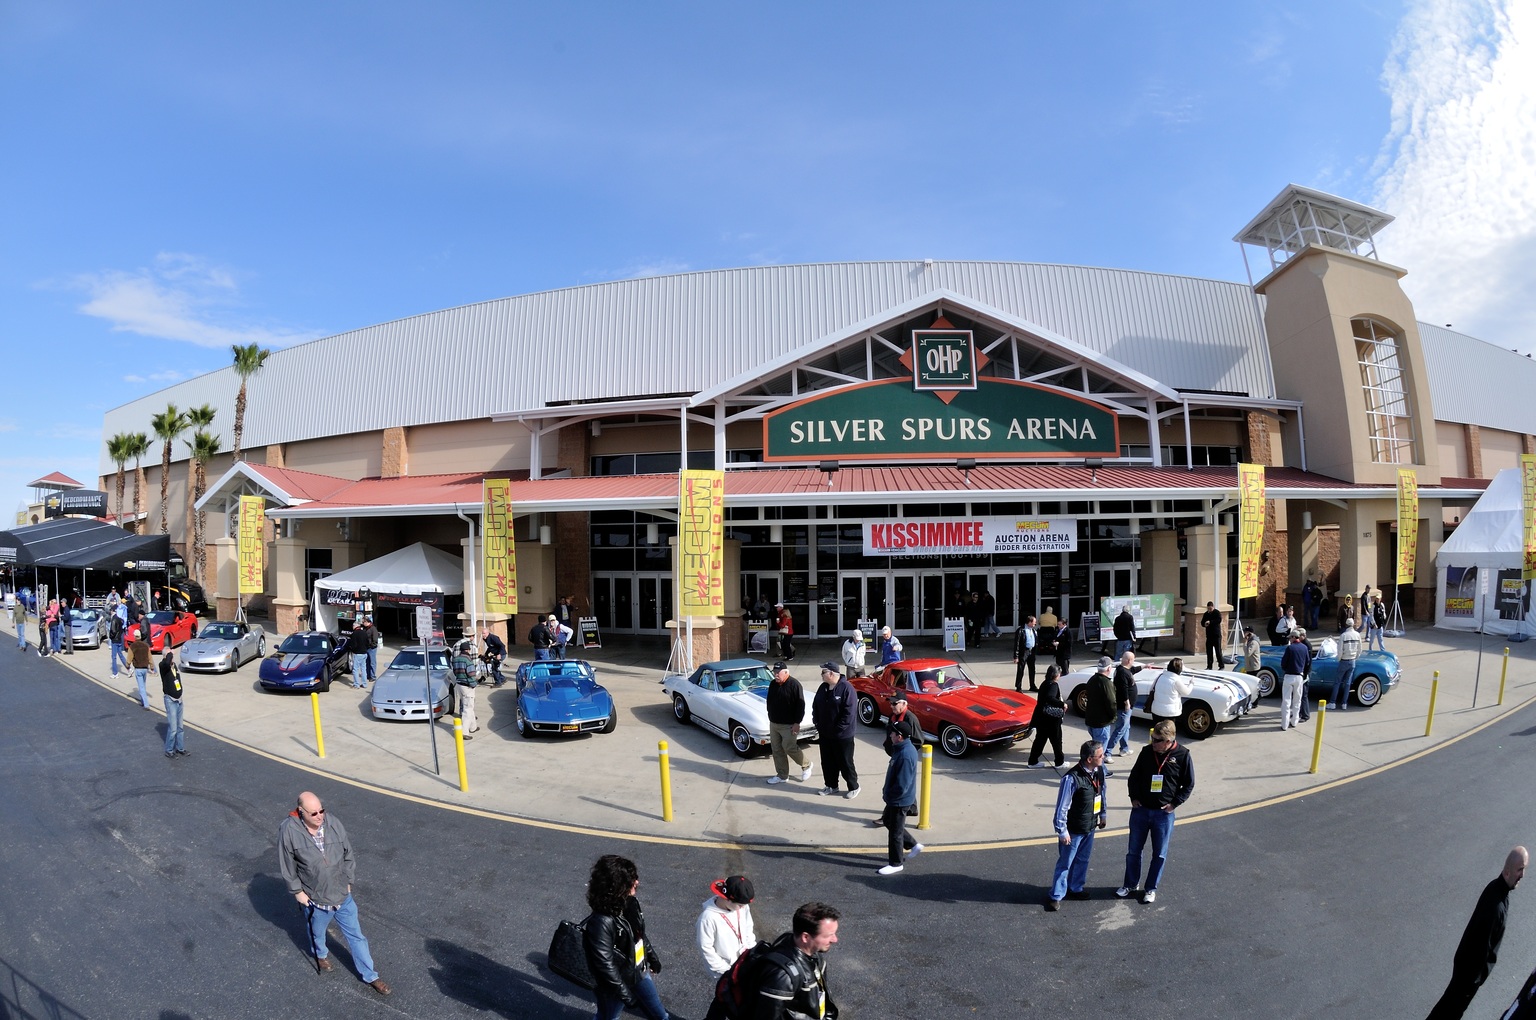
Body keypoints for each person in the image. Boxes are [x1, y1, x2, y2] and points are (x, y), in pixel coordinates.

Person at [278, 792, 392, 995]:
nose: (320, 816)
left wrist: (348, 880)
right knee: (317, 933)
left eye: (322, 810)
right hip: (316, 899)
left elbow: (348, 853)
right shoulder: (288, 831)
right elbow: (287, 865)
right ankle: (320, 955)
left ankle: (371, 976)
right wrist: (297, 892)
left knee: (357, 937)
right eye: (314, 813)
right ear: (301, 812)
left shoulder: (333, 824)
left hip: (342, 896)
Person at [1426, 847, 1529, 1020]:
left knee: (1446, 1009)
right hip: (1468, 977)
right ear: (1507, 871)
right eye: (1520, 869)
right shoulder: (1496, 907)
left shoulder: (1496, 890)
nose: (1523, 875)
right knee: (1449, 1012)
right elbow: (1482, 948)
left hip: (1464, 972)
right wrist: (1476, 980)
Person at [706, 902, 841, 1020]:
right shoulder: (782, 976)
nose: (835, 940)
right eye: (829, 935)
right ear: (805, 937)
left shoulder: (813, 956)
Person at [581, 854, 671, 1020]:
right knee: (608, 1017)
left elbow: (637, 934)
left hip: (638, 971)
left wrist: (651, 956)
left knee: (661, 1015)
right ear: (617, 886)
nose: (637, 882)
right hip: (615, 985)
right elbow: (605, 965)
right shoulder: (601, 922)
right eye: (631, 879)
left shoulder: (628, 902)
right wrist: (625, 994)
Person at [1118, 720, 1194, 904]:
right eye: (1152, 738)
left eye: (1157, 740)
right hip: (1141, 810)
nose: (1153, 743)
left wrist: (1174, 804)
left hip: (1163, 814)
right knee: (1133, 851)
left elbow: (1189, 784)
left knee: (1159, 853)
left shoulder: (1183, 755)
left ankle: (1150, 888)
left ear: (1169, 741)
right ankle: (1130, 884)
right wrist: (1134, 797)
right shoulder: (1146, 752)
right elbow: (1134, 777)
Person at [1046, 739, 1108, 911]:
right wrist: (1062, 831)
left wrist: (1102, 814)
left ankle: (1076, 888)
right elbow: (1062, 807)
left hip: (1090, 825)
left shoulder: (1099, 771)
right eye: (1100, 755)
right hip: (1073, 830)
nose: (1103, 757)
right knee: (1065, 863)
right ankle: (1056, 895)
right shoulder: (1071, 778)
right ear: (1089, 758)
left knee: (1083, 860)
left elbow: (1102, 792)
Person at [877, 724, 922, 875]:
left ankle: (896, 863)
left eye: (892, 734)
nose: (890, 736)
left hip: (899, 800)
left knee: (895, 832)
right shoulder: (903, 749)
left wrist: (889, 796)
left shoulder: (905, 755)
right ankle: (913, 844)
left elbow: (902, 785)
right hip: (896, 799)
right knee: (889, 821)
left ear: (900, 736)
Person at [811, 662, 859, 799]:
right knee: (827, 762)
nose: (821, 675)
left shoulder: (847, 688)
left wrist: (837, 730)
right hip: (825, 734)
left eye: (823, 672)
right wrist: (817, 722)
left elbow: (848, 714)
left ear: (831, 673)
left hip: (842, 736)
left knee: (845, 762)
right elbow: (816, 705)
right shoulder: (823, 687)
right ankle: (831, 785)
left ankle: (853, 786)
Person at [697, 875, 756, 978]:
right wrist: (726, 970)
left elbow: (748, 928)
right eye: (740, 905)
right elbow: (706, 948)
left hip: (744, 962)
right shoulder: (708, 918)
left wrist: (752, 952)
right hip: (725, 971)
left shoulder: (742, 907)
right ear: (727, 899)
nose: (743, 908)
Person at [765, 662, 811, 785]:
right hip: (774, 723)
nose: (775, 674)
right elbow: (769, 701)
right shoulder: (773, 684)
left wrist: (797, 722)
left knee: (789, 747)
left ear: (786, 672)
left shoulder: (794, 685)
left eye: (778, 672)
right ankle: (782, 775)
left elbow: (800, 705)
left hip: (789, 724)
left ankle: (806, 765)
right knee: (776, 749)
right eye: (774, 672)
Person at [1025, 663, 1067, 769]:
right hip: (1051, 719)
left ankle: (1033, 761)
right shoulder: (1053, 685)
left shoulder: (1044, 683)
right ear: (1056, 675)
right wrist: (1062, 704)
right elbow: (1050, 697)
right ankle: (1059, 762)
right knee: (1056, 740)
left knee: (1040, 740)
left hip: (1041, 717)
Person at [1082, 656, 1117, 765]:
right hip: (1101, 722)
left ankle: (1099, 770)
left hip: (1091, 720)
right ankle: (1099, 771)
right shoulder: (1106, 683)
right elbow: (1111, 702)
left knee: (1096, 747)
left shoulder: (1092, 679)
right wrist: (1113, 716)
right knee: (1099, 751)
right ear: (1109, 669)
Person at [1280, 629, 1312, 730]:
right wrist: (1303, 673)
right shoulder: (1304, 648)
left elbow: (1283, 663)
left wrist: (1286, 669)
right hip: (1299, 676)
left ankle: (1284, 724)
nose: (1290, 639)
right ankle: (1294, 721)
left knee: (1286, 701)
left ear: (1294, 637)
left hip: (1289, 675)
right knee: (1297, 700)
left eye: (1290, 637)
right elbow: (1307, 662)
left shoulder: (1290, 648)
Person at [1147, 658, 1193, 729]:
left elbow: (1151, 689)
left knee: (1157, 732)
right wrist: (1191, 683)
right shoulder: (1176, 680)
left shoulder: (1160, 676)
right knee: (1168, 734)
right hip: (1170, 713)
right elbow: (1186, 692)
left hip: (1156, 710)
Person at [1108, 651, 1137, 758]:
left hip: (1127, 706)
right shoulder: (1122, 673)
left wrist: (1145, 666)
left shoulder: (1124, 670)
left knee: (1126, 727)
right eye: (1133, 660)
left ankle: (1124, 749)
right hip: (1124, 706)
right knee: (1120, 729)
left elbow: (1133, 670)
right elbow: (1123, 689)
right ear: (1129, 660)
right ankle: (1107, 751)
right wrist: (1127, 703)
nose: (1133, 662)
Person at [160, 647, 188, 758]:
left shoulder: (173, 665)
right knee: (173, 729)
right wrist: (170, 653)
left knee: (180, 727)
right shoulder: (163, 666)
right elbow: (167, 663)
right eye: (169, 655)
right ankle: (169, 749)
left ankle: (180, 748)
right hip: (170, 700)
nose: (172, 657)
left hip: (179, 699)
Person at [451, 638, 481, 739]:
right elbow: (471, 675)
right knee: (467, 709)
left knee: (468, 706)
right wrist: (474, 684)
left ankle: (473, 727)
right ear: (468, 650)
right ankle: (464, 732)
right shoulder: (468, 660)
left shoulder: (456, 659)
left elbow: (455, 672)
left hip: (459, 685)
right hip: (467, 686)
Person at [883, 688, 921, 756]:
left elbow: (918, 741)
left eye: (894, 703)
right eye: (890, 703)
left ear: (903, 704)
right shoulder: (892, 716)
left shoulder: (911, 718)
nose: (891, 706)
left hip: (903, 755)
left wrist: (906, 753)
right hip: (894, 754)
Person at [1333, 620, 1362, 711]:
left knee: (1337, 682)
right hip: (1352, 660)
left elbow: (1340, 650)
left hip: (1344, 660)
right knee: (1348, 683)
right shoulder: (1357, 635)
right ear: (1353, 625)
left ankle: (1332, 702)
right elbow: (1359, 649)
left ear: (1346, 625)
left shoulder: (1343, 636)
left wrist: (1339, 659)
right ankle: (1344, 703)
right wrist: (1355, 657)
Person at [129, 627, 154, 709]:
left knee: (141, 687)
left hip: (138, 668)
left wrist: (127, 665)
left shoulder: (133, 646)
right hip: (145, 668)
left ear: (134, 636)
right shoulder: (146, 646)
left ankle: (146, 704)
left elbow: (129, 657)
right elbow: (150, 657)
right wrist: (152, 667)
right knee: (143, 685)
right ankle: (143, 701)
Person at [1013, 615, 1038, 692]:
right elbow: (1016, 644)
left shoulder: (1033, 630)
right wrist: (1016, 656)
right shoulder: (1021, 630)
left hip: (1031, 651)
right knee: (1021, 670)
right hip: (1023, 652)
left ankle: (1032, 685)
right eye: (1034, 623)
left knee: (1032, 669)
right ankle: (1018, 686)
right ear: (1029, 622)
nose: (1035, 624)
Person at [346, 623, 370, 689]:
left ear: (355, 626)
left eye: (353, 626)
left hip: (357, 654)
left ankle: (356, 684)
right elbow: (368, 643)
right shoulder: (364, 633)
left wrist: (353, 650)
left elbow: (353, 644)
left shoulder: (354, 634)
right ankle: (364, 684)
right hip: (364, 653)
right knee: (363, 669)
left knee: (355, 669)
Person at [1201, 601, 1224, 669]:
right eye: (1208, 609)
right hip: (1209, 636)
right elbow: (1202, 622)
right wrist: (1204, 624)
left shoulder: (1217, 613)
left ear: (1213, 607)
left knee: (1218, 651)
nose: (1209, 610)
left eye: (1210, 609)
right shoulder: (1206, 614)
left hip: (1216, 636)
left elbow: (1219, 620)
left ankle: (1221, 665)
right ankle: (1209, 666)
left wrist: (1210, 622)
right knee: (1209, 652)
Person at [107, 603, 127, 678]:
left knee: (114, 657)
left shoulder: (114, 619)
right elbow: (121, 630)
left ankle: (115, 673)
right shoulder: (120, 619)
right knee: (121, 655)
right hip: (119, 639)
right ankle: (129, 669)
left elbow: (113, 630)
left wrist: (111, 637)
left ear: (112, 611)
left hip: (115, 640)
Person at [362, 617, 380, 683]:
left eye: (363, 622)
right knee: (367, 662)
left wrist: (371, 646)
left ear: (367, 622)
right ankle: (368, 675)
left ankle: (373, 676)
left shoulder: (373, 629)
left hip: (372, 648)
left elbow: (375, 640)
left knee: (372, 662)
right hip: (367, 648)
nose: (363, 623)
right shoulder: (365, 629)